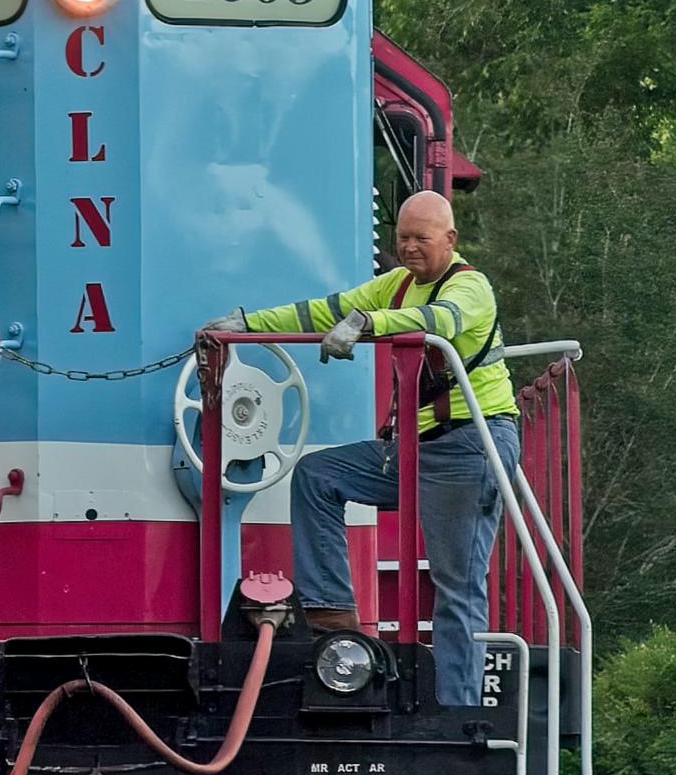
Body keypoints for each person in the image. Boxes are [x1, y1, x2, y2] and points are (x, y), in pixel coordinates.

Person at [201, 191, 519, 708]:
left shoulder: (471, 287)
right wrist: (247, 324)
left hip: (469, 446)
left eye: (421, 239)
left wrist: (368, 325)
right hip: (413, 448)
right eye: (403, 238)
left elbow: (439, 321)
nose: (410, 248)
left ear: (450, 239)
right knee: (318, 476)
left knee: (456, 583)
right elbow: (327, 310)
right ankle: (331, 617)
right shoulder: (397, 285)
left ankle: (457, 713)